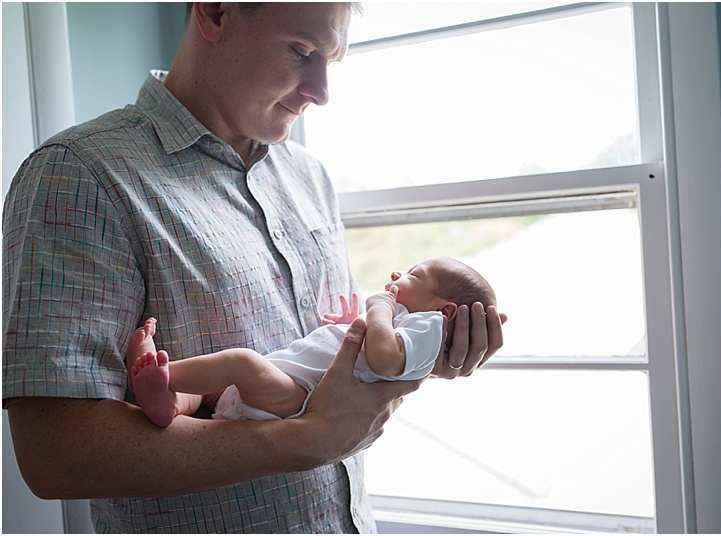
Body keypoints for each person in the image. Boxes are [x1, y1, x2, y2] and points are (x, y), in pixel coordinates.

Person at [2, 3, 505, 533]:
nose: (321, 91)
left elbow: (341, 373)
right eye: (301, 52)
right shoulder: (80, 176)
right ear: (217, 12)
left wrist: (428, 353)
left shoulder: (311, 179)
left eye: (331, 59)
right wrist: (302, 441)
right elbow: (56, 454)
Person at [128, 257, 497, 427]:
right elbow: (364, 354)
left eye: (414, 274)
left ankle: (161, 375)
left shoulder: (427, 326)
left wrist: (378, 308)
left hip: (299, 399)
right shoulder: (410, 327)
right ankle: (172, 404)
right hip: (286, 391)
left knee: (240, 363)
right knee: (219, 383)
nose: (398, 274)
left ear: (444, 311)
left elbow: (384, 360)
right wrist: (349, 325)